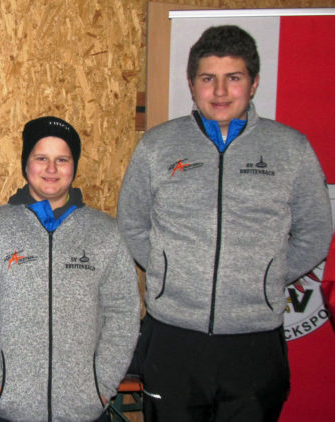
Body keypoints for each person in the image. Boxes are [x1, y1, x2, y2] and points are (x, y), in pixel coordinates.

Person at [117, 25, 332, 422]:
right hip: (173, 337)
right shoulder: (157, 147)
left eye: (233, 78)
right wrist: (168, 270)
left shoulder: (291, 149)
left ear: (253, 84)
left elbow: (316, 231)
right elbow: (131, 224)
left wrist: (266, 276)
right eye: (207, 79)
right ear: (192, 84)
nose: (219, 91)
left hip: (254, 342)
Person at [0, 116, 140, 422]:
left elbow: (123, 312)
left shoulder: (104, 233)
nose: (51, 169)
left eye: (62, 159)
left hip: (84, 411)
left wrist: (102, 384)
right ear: (25, 163)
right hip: (9, 410)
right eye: (41, 158)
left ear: (74, 166)